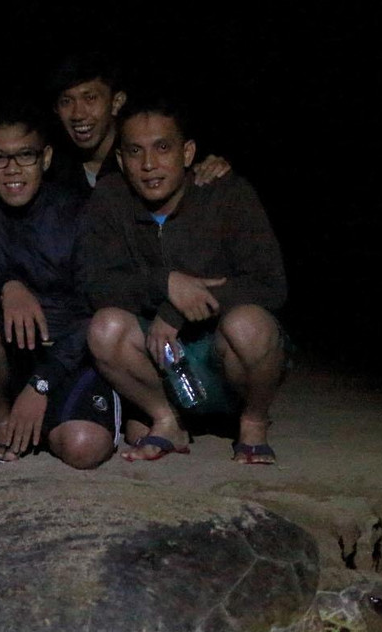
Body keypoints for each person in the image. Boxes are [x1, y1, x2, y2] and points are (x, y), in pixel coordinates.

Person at [77, 95, 287, 463]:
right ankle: (166, 420)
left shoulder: (228, 193)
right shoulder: (109, 198)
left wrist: (177, 311)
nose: (148, 165)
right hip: (159, 360)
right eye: (135, 152)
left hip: (221, 352)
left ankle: (253, 422)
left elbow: (270, 283)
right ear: (122, 160)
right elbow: (96, 283)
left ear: (187, 152)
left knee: (251, 326)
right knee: (105, 328)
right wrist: (165, 283)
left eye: (162, 148)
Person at [0, 105, 119, 469]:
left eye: (25, 155)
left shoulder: (79, 213)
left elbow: (98, 310)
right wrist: (7, 286)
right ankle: (3, 422)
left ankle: (53, 417)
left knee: (82, 449)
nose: (12, 170)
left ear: (46, 158)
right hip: (6, 361)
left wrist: (43, 383)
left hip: (71, 355)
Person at [49, 52, 231, 197]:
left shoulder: (150, 157)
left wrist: (214, 169)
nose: (78, 114)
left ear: (117, 102)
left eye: (90, 98)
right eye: (66, 101)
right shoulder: (50, 170)